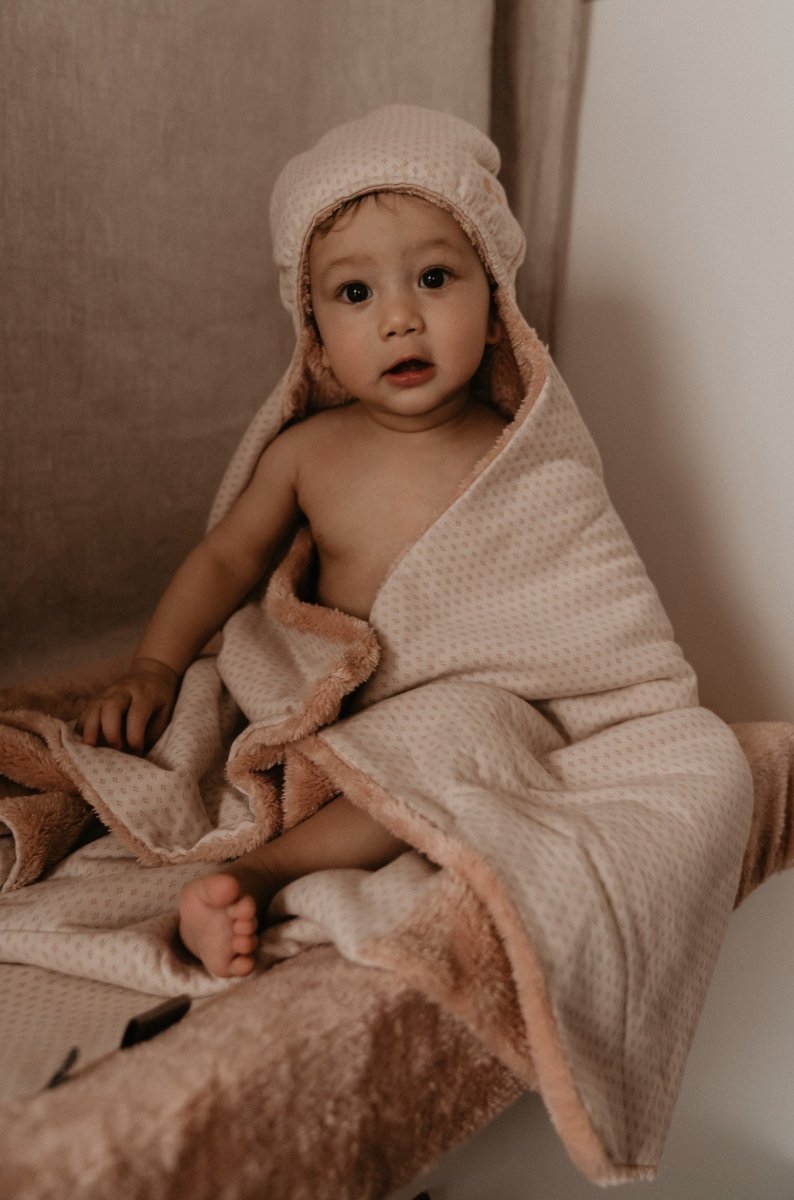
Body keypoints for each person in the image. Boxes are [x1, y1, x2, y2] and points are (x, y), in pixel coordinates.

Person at [79, 184, 507, 978]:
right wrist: (155, 666)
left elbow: (574, 595)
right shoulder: (310, 451)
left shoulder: (517, 452)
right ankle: (239, 865)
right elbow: (228, 559)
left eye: (434, 278)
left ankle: (259, 876)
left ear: (495, 310)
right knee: (194, 720)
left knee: (464, 738)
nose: (399, 318)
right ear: (316, 334)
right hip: (319, 708)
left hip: (438, 710)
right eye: (356, 293)